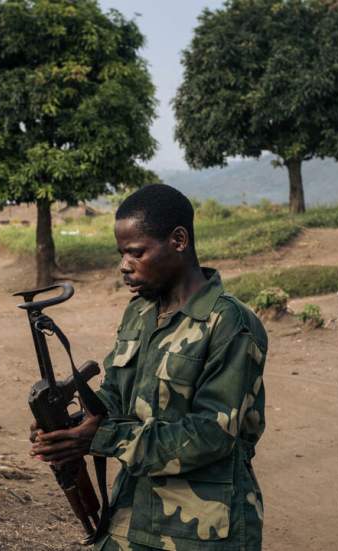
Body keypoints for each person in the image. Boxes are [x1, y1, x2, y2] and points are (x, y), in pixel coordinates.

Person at [30, 184, 268, 550]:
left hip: (204, 530)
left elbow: (212, 435)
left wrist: (100, 437)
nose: (124, 266)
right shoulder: (140, 312)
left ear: (178, 240)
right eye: (121, 253)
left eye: (135, 252)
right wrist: (69, 426)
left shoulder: (229, 323)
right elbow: (115, 394)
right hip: (131, 514)